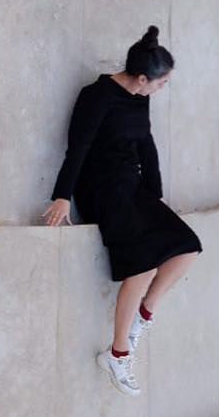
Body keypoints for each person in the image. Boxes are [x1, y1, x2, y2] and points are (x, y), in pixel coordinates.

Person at [43, 26, 202, 397]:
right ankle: (118, 353)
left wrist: (156, 195)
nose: (161, 90)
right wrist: (62, 195)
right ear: (143, 78)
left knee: (188, 247)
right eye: (160, 84)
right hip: (100, 190)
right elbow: (78, 148)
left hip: (132, 188)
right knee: (144, 263)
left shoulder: (138, 97)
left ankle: (142, 317)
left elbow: (146, 145)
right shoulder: (97, 97)